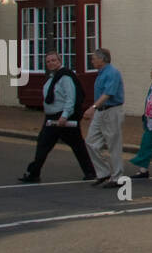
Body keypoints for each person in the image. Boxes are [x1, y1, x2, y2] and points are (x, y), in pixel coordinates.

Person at [20, 52, 96, 183]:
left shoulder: (65, 77)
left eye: (53, 60)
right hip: (51, 117)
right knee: (45, 144)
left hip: (63, 116)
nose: (51, 63)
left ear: (60, 61)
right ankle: (33, 173)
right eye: (48, 61)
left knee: (75, 145)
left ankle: (90, 172)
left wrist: (64, 116)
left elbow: (70, 98)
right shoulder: (53, 78)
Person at [84, 47, 126, 186]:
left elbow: (108, 93)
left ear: (102, 59)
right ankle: (103, 172)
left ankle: (117, 177)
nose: (92, 61)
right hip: (101, 111)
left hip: (112, 110)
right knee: (90, 141)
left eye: (94, 58)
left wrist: (92, 107)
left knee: (113, 144)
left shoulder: (112, 73)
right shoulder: (101, 73)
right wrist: (96, 109)